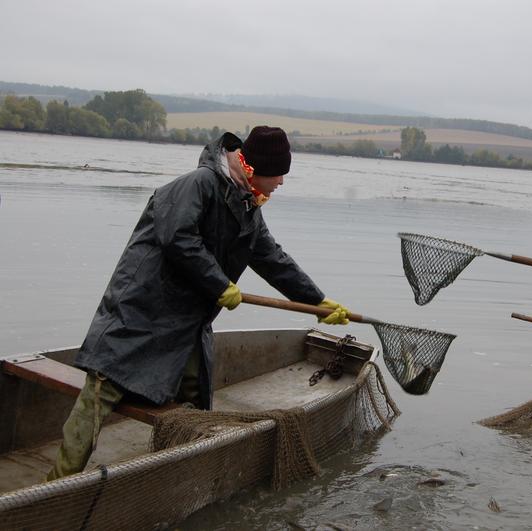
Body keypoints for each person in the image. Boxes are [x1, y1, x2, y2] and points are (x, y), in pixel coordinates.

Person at [47, 126, 350, 480]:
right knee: (101, 392)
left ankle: (176, 476)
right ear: (254, 168)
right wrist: (219, 284)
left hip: (188, 321)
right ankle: (58, 483)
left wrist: (317, 301)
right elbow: (178, 238)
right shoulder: (198, 185)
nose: (281, 181)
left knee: (193, 399)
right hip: (140, 310)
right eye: (278, 173)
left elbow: (272, 259)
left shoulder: (248, 205)